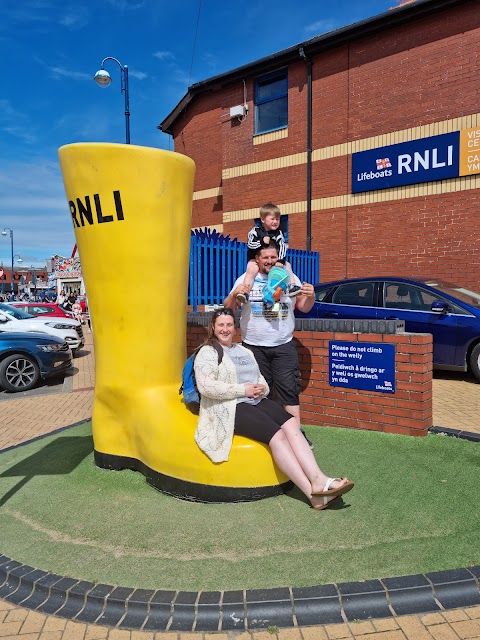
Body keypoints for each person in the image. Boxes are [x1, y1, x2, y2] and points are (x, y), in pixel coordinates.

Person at [193, 308, 354, 510]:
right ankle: (311, 493)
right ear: (213, 327)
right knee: (277, 436)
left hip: (255, 399)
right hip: (231, 406)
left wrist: (262, 388)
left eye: (229, 325)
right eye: (221, 325)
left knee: (292, 425)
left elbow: (259, 378)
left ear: (235, 327)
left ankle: (319, 479)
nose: (225, 329)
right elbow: (206, 386)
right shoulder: (207, 352)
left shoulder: (244, 350)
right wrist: (243, 389)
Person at [224, 243, 316, 433]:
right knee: (257, 393)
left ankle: (297, 435)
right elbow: (229, 308)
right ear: (257, 259)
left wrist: (311, 296)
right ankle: (266, 433)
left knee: (289, 392)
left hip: (283, 346)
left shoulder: (288, 277)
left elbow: (304, 307)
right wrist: (234, 294)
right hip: (253, 348)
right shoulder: (246, 279)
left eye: (273, 257)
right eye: (265, 257)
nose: (270, 261)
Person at [236, 203, 301, 304]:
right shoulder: (255, 231)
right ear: (263, 219)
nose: (275, 222)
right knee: (252, 269)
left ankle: (292, 286)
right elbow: (250, 244)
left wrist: (280, 260)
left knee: (288, 265)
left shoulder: (278, 233)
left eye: (278, 219)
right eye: (272, 219)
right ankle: (245, 291)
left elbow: (283, 246)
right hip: (255, 259)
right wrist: (261, 242)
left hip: (275, 260)